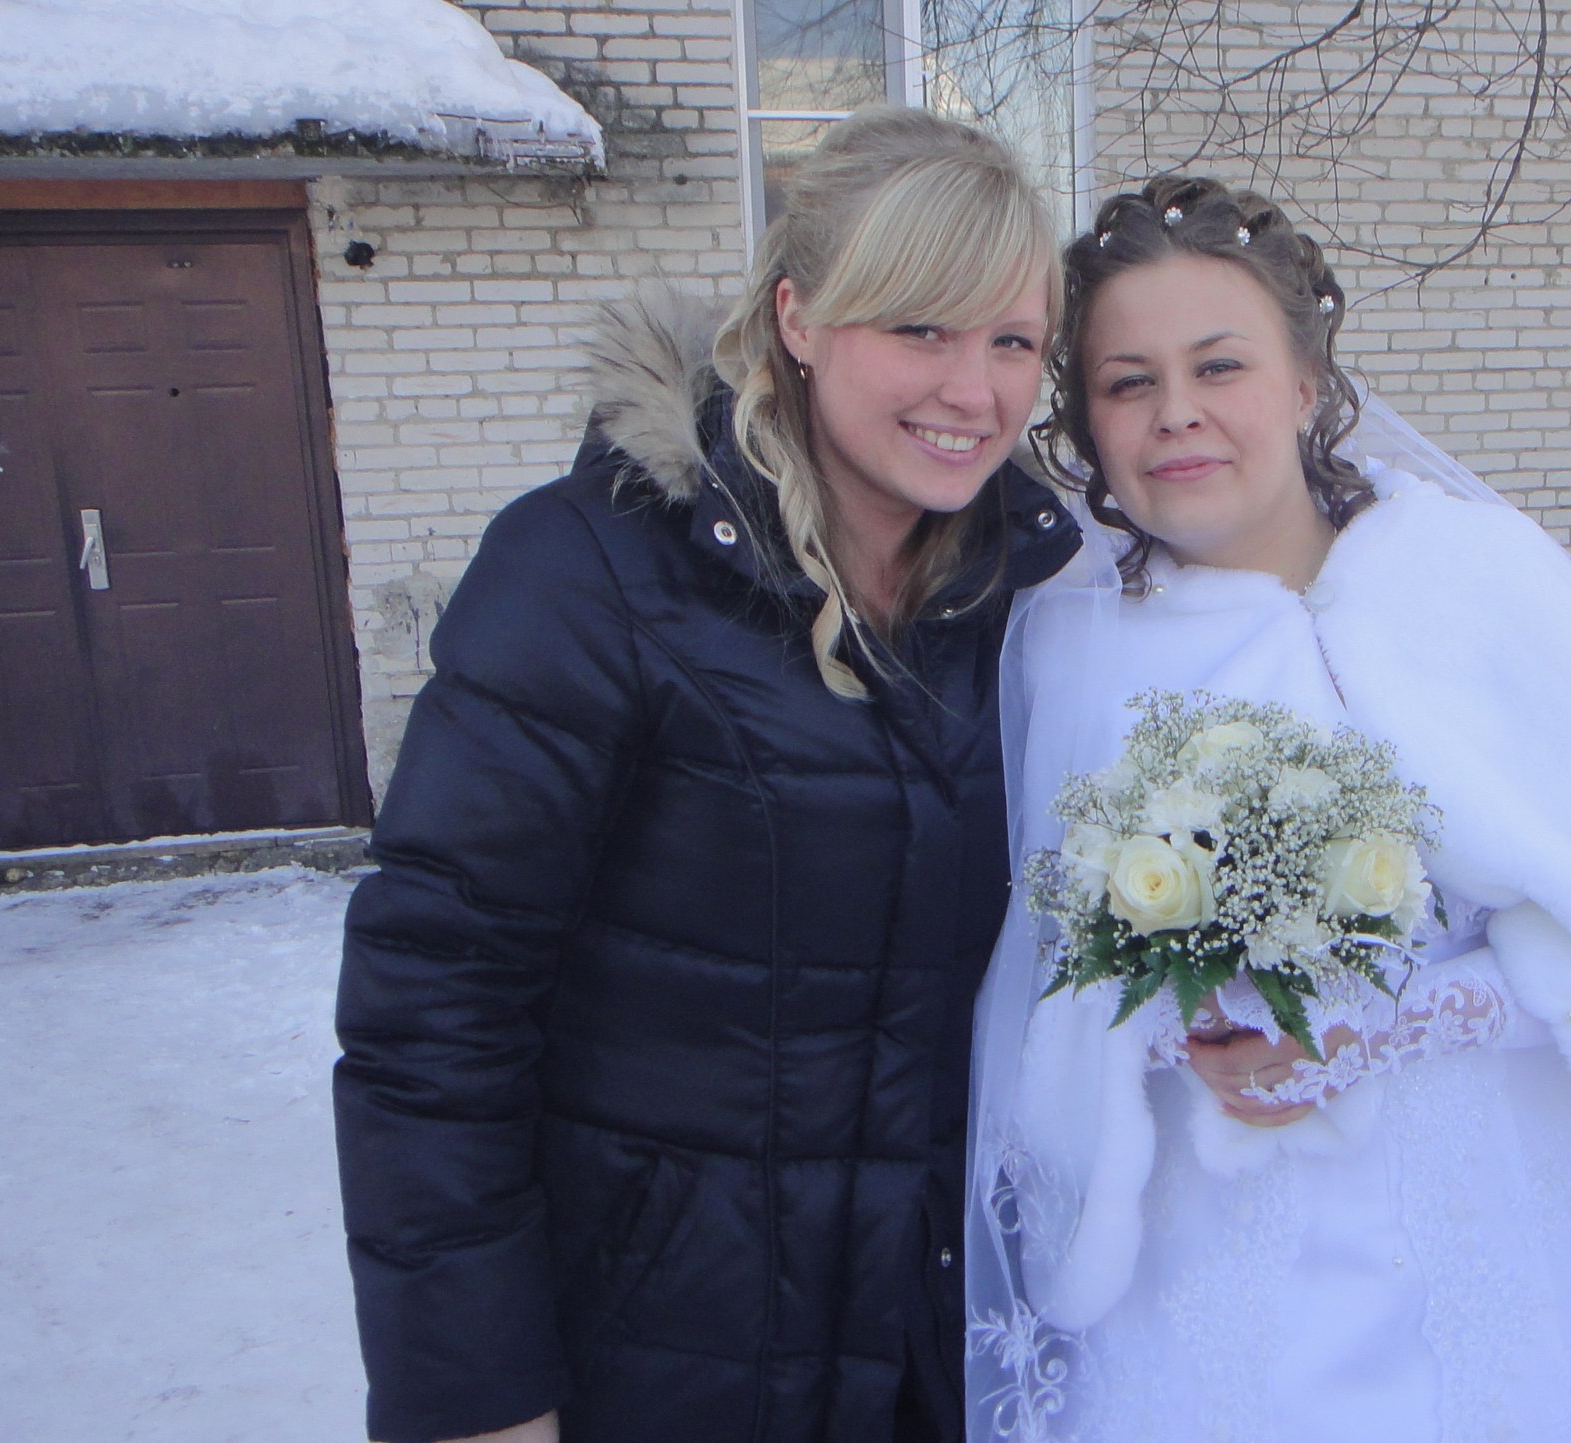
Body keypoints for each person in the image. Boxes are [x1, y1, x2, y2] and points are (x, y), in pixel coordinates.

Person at [961, 177, 1571, 1443]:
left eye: (1219, 365)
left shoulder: (1472, 584)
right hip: (1217, 1298)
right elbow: (1044, 999)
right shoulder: (1072, 652)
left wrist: (1381, 1023)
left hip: (1495, 1258)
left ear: (1305, 385)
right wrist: (1179, 1013)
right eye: (1127, 381)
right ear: (1088, 422)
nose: (1176, 412)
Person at [332, 108, 1079, 1443]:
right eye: (920, 328)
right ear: (798, 317)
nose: (975, 392)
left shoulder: (1021, 603)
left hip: (929, 1353)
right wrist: (476, 1394)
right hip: (656, 1356)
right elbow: (433, 1012)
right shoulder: (591, 573)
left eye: (1013, 342)